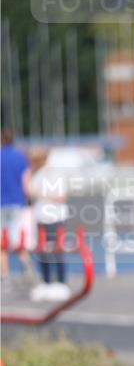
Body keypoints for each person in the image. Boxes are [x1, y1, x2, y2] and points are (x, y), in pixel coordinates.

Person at [29, 150, 71, 302]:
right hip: (41, 218)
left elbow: (61, 196)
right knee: (42, 251)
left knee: (57, 250)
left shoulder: (57, 174)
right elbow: (30, 192)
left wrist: (42, 194)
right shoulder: (37, 174)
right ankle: (46, 282)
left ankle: (61, 282)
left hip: (56, 218)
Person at [0, 127, 35, 285]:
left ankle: (5, 276)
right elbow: (26, 182)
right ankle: (28, 269)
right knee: (18, 239)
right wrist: (29, 201)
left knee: (2, 242)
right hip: (17, 202)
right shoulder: (20, 158)